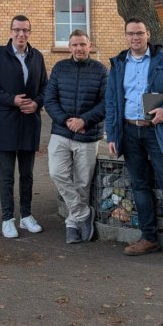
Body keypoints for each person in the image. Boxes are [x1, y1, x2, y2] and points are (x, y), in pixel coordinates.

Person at [104, 17, 163, 270]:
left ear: (148, 35)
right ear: (126, 36)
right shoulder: (118, 64)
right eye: (130, 34)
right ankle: (148, 238)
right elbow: (112, 101)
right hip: (129, 132)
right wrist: (111, 134)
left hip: (157, 132)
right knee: (140, 186)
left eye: (139, 33)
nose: (135, 38)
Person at [0, 15, 48, 238]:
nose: (22, 34)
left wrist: (37, 103)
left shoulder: (37, 56)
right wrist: (12, 100)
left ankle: (27, 216)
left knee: (27, 174)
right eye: (17, 30)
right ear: (10, 31)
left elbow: (45, 87)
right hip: (8, 122)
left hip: (30, 122)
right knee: (7, 175)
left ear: (30, 32)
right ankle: (7, 218)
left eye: (26, 30)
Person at [44, 30, 107, 244]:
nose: (79, 48)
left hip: (88, 135)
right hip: (61, 132)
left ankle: (72, 224)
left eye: (82, 44)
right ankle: (83, 214)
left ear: (90, 45)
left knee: (82, 183)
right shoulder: (60, 68)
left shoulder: (100, 70)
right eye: (74, 45)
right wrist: (67, 121)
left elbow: (106, 103)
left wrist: (84, 121)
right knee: (57, 173)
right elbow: (50, 99)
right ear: (69, 47)